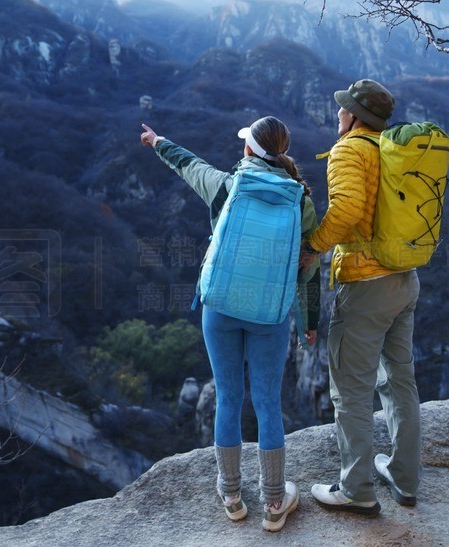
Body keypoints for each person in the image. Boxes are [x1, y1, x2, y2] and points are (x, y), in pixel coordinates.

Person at [140, 117, 320, 532]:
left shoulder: (227, 186)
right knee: (268, 403)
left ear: (248, 150)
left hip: (220, 307)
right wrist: (310, 321)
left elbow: (189, 164)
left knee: (227, 395)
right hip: (269, 315)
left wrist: (157, 141)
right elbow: (307, 269)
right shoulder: (301, 201)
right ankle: (275, 504)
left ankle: (232, 496)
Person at [302, 79, 421, 516]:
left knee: (351, 391)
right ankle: (405, 480)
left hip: (366, 283)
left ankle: (357, 490)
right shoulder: (394, 148)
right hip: (404, 279)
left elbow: (348, 209)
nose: (337, 114)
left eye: (342, 109)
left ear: (354, 116)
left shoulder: (350, 150)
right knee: (399, 380)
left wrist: (314, 244)